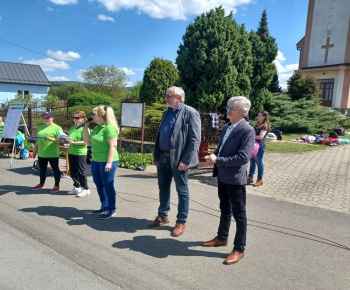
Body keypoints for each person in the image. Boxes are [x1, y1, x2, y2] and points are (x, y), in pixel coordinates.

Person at [202, 96, 255, 265]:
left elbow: (243, 158)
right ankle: (222, 238)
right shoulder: (227, 127)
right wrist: (214, 156)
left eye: (232, 108)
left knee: (239, 215)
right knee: (225, 209)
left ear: (243, 112)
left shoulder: (247, 130)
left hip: (235, 179)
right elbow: (221, 148)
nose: (228, 110)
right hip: (223, 176)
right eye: (228, 107)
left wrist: (218, 160)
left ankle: (239, 249)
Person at [148, 86, 201, 237]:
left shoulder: (190, 112)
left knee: (182, 191)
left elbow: (195, 139)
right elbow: (161, 135)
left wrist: (186, 160)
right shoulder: (167, 112)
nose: (166, 98)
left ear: (178, 98)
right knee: (163, 187)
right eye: (166, 96)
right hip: (163, 157)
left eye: (168, 96)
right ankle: (163, 216)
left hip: (179, 160)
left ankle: (181, 222)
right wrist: (156, 154)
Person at [83, 105, 119, 220]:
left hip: (107, 161)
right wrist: (85, 129)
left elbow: (113, 146)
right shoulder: (98, 128)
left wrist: (109, 162)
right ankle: (104, 205)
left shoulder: (109, 128)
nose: (91, 117)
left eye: (93, 114)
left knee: (108, 185)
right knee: (99, 184)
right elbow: (88, 143)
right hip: (96, 160)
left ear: (99, 116)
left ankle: (111, 208)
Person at [32, 112, 64, 193]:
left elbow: (61, 140)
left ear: (52, 118)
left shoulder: (57, 128)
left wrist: (52, 140)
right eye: (44, 117)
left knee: (55, 169)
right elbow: (38, 139)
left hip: (52, 153)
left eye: (47, 117)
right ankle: (41, 184)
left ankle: (57, 185)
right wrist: (35, 149)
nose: (45, 119)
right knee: (42, 169)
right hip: (42, 152)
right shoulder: (40, 127)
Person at [64, 111, 91, 197]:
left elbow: (85, 142)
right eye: (74, 118)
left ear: (83, 119)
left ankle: (85, 188)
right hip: (71, 151)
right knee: (72, 171)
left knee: (81, 171)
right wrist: (67, 140)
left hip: (80, 152)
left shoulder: (85, 129)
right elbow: (69, 138)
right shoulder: (73, 128)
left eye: (77, 118)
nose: (75, 119)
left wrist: (74, 143)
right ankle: (77, 187)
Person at [247, 110, 271, 187]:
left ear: (264, 117)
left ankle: (259, 179)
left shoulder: (265, 126)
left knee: (259, 163)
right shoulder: (257, 124)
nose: (258, 117)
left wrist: (251, 137)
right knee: (252, 162)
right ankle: (250, 178)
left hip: (260, 147)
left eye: (260, 116)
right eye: (258, 115)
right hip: (253, 146)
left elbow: (260, 137)